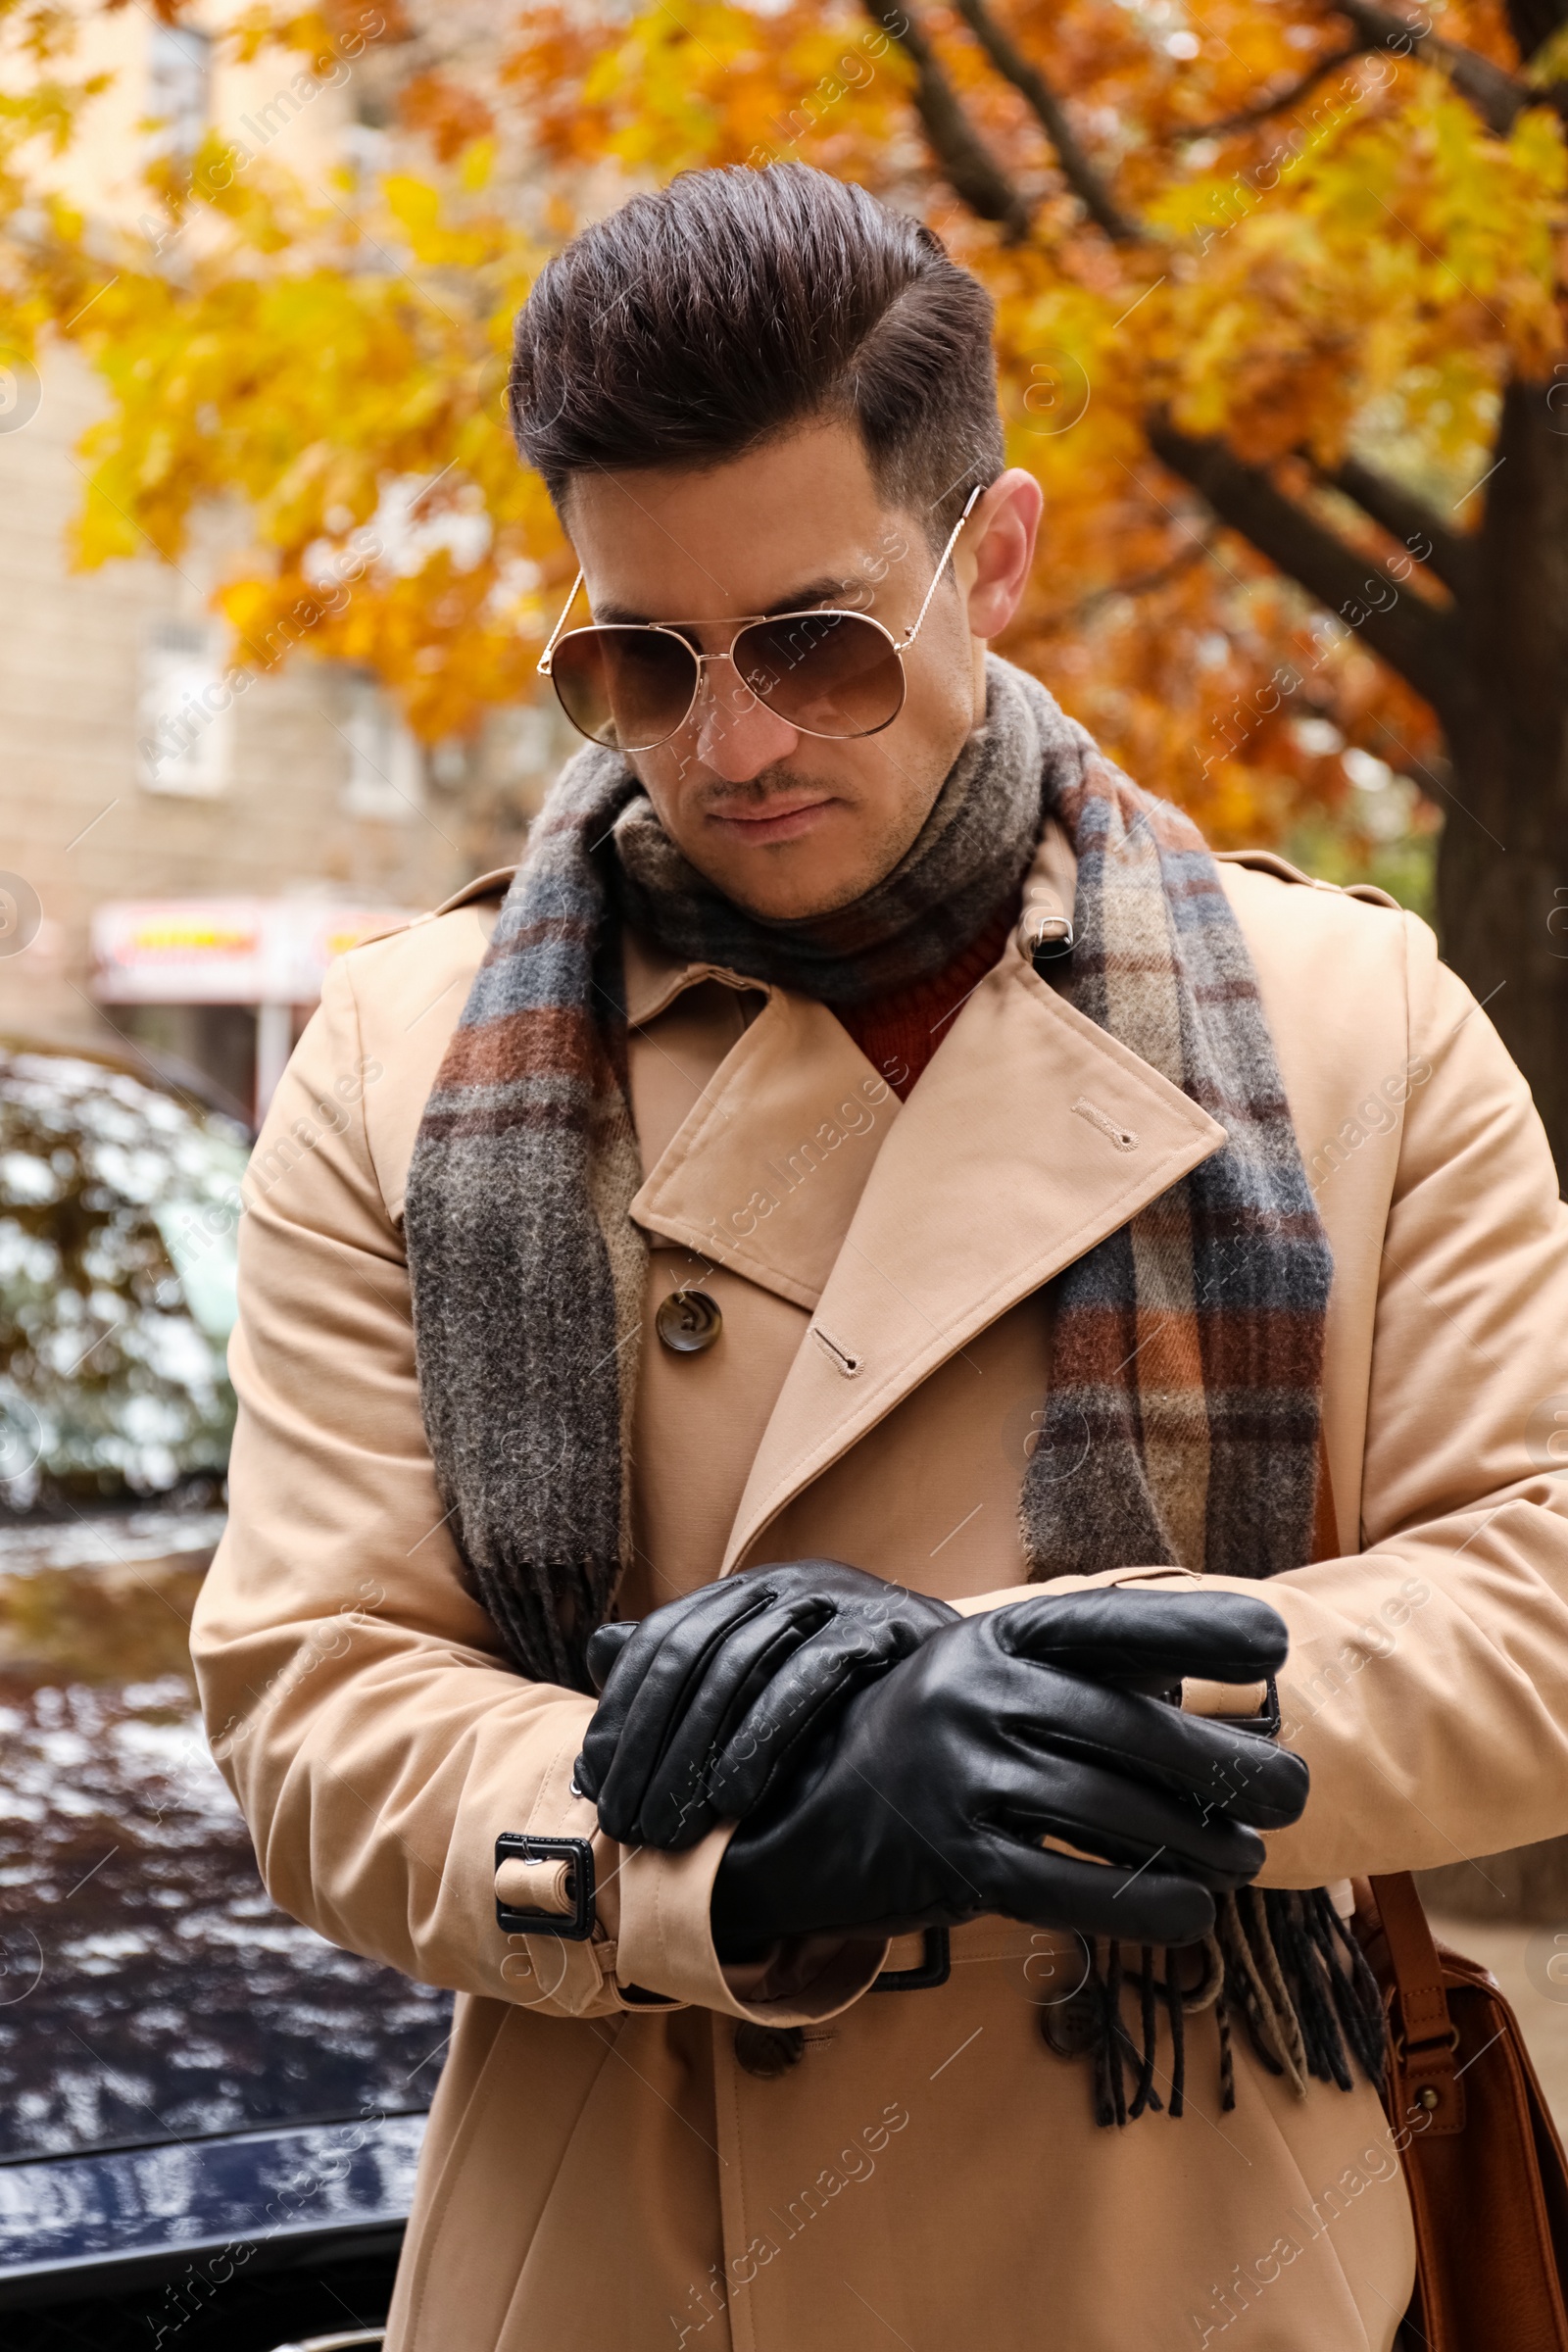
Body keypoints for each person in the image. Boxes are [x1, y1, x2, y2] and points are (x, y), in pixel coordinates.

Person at [191, 163, 1568, 2352]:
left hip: (1191, 2261)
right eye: (635, 659)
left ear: (989, 556)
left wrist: (999, 1693)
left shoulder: (1351, 1026)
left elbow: (1533, 1606)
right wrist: (748, 1851)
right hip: (630, 2256)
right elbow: (314, 1704)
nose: (725, 744)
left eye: (813, 646)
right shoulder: (398, 1063)